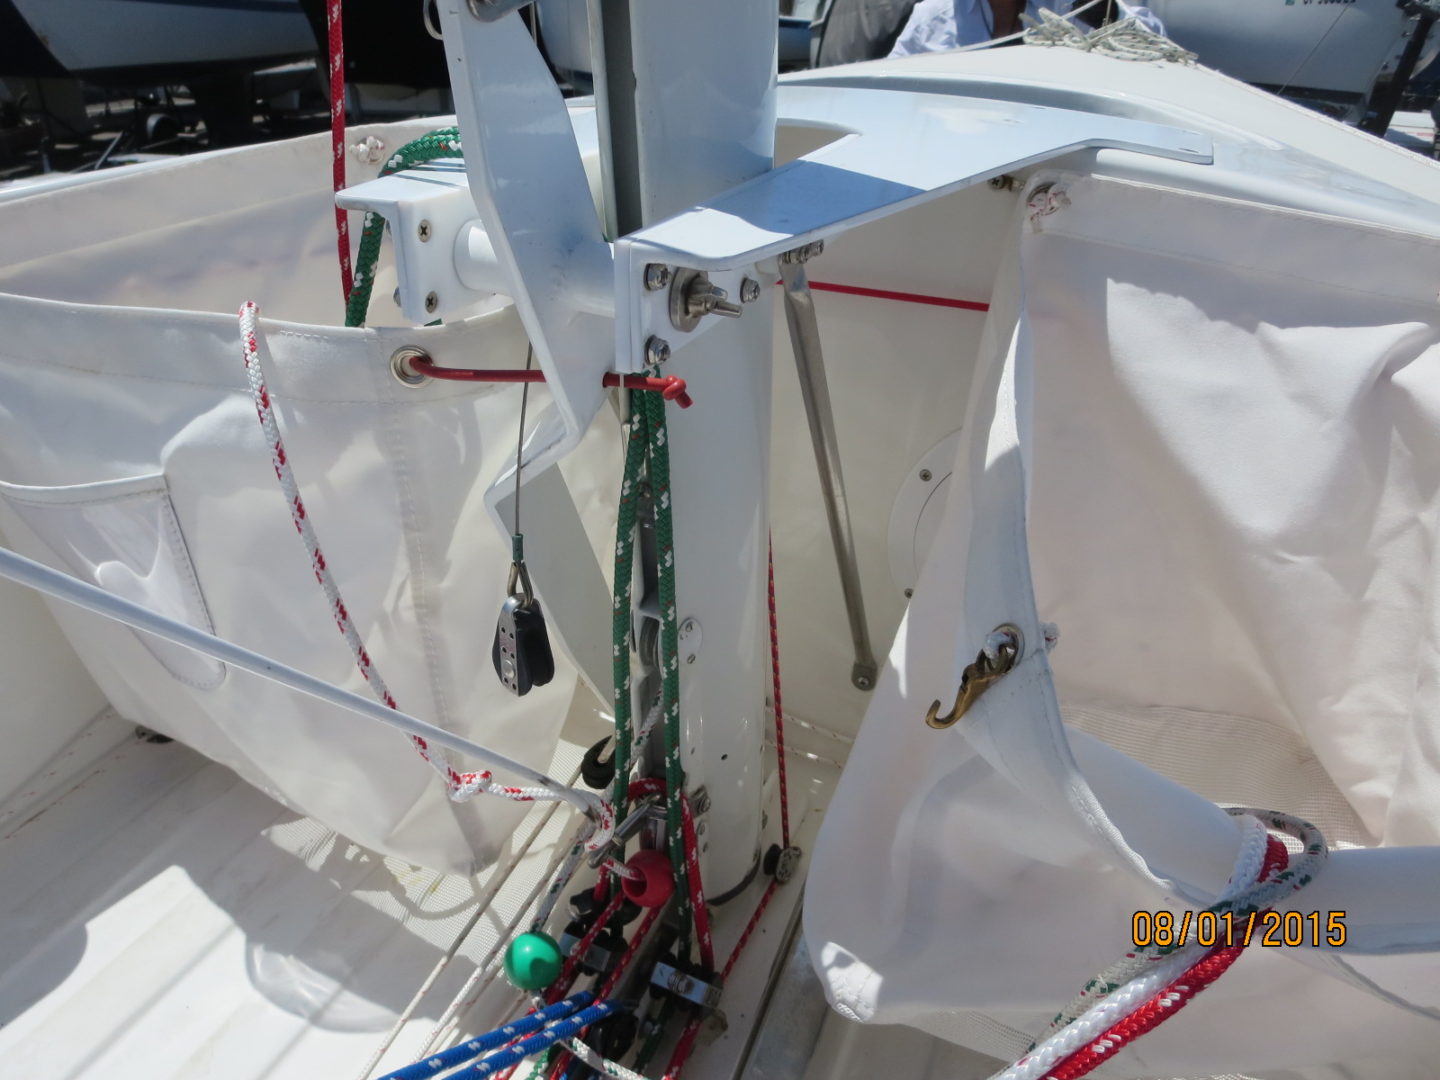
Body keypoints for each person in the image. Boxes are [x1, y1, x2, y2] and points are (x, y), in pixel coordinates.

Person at [888, 0, 1162, 57]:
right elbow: (888, 92)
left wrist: (1111, 14)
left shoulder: (1069, 7)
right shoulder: (932, 16)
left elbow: (1156, 44)